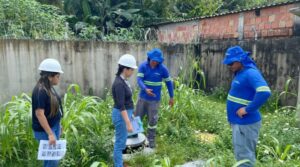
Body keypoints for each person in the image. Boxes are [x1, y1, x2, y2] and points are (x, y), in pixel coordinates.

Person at [223, 46, 271, 167]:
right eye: (228, 63)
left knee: (245, 158)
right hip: (239, 123)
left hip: (246, 123)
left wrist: (247, 109)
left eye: (231, 63)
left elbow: (264, 92)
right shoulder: (240, 72)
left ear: (240, 60)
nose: (229, 66)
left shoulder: (250, 73)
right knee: (241, 155)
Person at [135, 48, 174, 149]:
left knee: (152, 121)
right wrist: (145, 89)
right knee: (137, 118)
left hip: (155, 101)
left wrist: (171, 97)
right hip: (142, 98)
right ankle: (135, 138)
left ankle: (151, 140)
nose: (155, 62)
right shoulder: (143, 66)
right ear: (149, 58)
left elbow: (169, 83)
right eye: (153, 60)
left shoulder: (163, 69)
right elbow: (139, 79)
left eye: (157, 61)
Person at [32, 58, 64, 167]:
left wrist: (58, 125)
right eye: (57, 76)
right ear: (50, 77)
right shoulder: (40, 91)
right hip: (45, 130)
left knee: (51, 159)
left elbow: (54, 108)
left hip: (53, 126)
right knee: (52, 160)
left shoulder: (48, 87)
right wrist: (50, 134)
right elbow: (39, 114)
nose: (59, 79)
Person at [112, 54, 137, 167]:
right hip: (121, 115)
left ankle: (120, 163)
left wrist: (131, 116)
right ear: (125, 69)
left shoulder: (123, 80)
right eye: (131, 69)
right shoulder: (119, 84)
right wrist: (128, 123)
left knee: (121, 142)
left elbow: (127, 101)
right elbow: (121, 106)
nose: (132, 72)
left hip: (126, 115)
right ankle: (118, 165)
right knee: (119, 144)